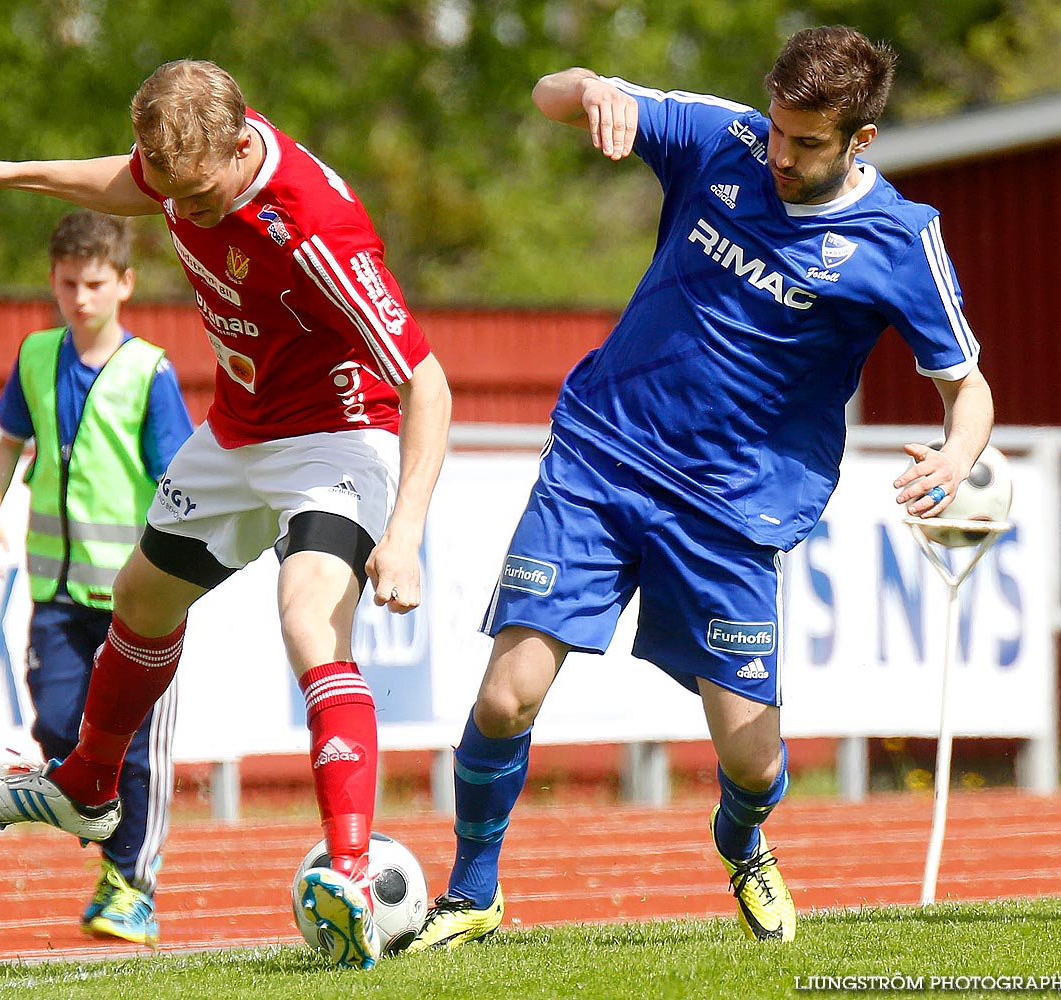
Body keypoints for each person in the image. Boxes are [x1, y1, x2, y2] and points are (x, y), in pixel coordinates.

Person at [409, 25, 994, 951]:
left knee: (752, 760)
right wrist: (591, 84)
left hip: (730, 511)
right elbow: (547, 95)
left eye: (808, 143)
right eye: (778, 130)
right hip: (602, 457)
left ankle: (744, 838)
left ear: (861, 141)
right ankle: (473, 888)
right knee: (505, 697)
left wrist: (958, 456)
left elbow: (968, 388)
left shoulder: (900, 240)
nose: (782, 157)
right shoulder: (722, 138)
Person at [0, 59, 451, 970]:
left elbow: (428, 382)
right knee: (141, 601)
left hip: (336, 436)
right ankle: (88, 785)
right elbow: (120, 182)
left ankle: (355, 873)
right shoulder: (179, 169)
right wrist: (2, 172)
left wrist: (403, 533)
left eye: (202, 198)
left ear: (243, 146)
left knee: (306, 624)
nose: (190, 216)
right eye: (176, 197)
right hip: (239, 431)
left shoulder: (316, 227)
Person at [0, 210, 194, 944]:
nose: (81, 297)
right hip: (56, 594)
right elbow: (10, 444)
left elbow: (180, 478)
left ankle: (134, 883)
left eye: (95, 283)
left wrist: (180, 571)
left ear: (125, 284)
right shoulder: (37, 356)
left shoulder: (148, 372)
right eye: (68, 283)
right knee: (60, 728)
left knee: (133, 744)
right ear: (53, 281)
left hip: (137, 602)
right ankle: (111, 847)